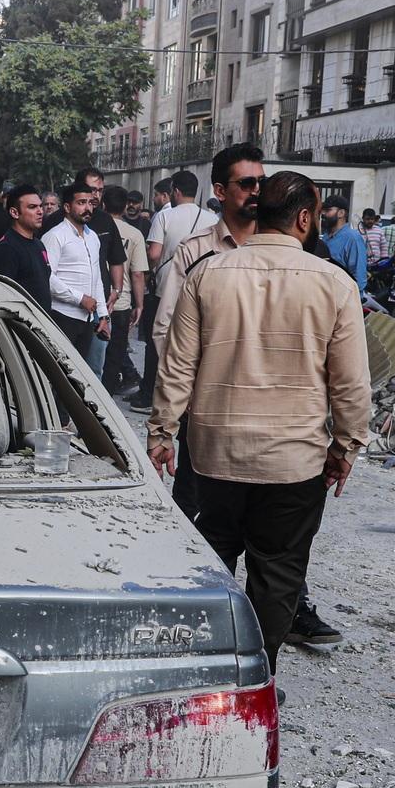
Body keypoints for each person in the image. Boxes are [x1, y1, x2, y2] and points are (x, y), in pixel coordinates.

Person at [147, 170, 371, 674]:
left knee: (215, 557)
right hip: (294, 460)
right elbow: (351, 383)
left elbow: (177, 365)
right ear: (305, 218)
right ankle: (257, 675)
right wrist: (346, 446)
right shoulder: (335, 283)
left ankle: (208, 670)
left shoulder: (209, 273)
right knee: (279, 571)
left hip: (215, 452)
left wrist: (162, 431)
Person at [150, 146, 260, 518]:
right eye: (246, 183)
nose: (256, 191)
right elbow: (166, 329)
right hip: (207, 409)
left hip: (264, 411)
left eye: (261, 183)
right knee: (194, 509)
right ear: (220, 191)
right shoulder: (196, 251)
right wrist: (178, 404)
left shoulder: (281, 249)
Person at [42, 180, 109, 364]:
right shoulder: (55, 236)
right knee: (60, 371)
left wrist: (102, 314)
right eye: (81, 203)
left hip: (88, 318)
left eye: (90, 203)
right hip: (63, 316)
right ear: (67, 207)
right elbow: (47, 278)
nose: (87, 208)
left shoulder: (93, 237)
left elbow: (96, 277)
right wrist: (80, 299)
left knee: (80, 371)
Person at [102, 184, 149, 395]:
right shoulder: (135, 234)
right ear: (124, 208)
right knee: (115, 354)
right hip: (121, 301)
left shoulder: (94, 229)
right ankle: (107, 395)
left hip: (96, 300)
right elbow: (137, 273)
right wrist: (139, 304)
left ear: (103, 205)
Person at [0, 185, 52, 310]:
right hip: (21, 319)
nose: (40, 211)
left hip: (42, 318)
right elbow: (4, 297)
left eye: (40, 206)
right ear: (14, 212)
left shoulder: (38, 244)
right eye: (32, 207)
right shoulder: (7, 248)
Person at [319, 196, 368, 292]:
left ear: (341, 213)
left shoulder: (353, 238)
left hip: (343, 297)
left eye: (328, 210)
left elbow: (359, 279)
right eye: (323, 210)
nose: (323, 214)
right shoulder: (325, 237)